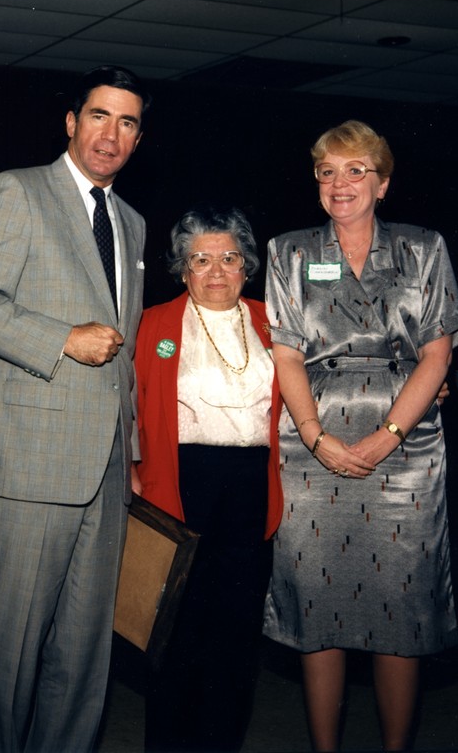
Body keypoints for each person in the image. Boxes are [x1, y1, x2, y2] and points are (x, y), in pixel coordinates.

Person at [0, 65, 151, 753]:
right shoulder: (16, 191)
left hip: (105, 475)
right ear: (70, 122)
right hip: (29, 467)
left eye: (126, 122)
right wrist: (61, 340)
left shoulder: (131, 222)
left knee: (86, 658)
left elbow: (123, 353)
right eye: (98, 116)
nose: (110, 134)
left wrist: (133, 453)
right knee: (12, 652)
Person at [263, 120, 458, 752]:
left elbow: (436, 356)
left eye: (354, 171)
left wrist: (387, 437)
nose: (339, 184)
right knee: (318, 604)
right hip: (310, 445)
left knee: (400, 607)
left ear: (383, 182)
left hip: (408, 450)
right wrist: (318, 437)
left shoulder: (424, 247)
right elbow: (287, 355)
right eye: (326, 171)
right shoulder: (289, 251)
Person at [133, 205, 283, 751]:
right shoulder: (153, 325)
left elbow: (333, 380)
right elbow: (127, 405)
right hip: (179, 486)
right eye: (201, 260)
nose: (216, 272)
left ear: (248, 266)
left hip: (253, 488)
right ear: (182, 267)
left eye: (229, 258)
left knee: (237, 634)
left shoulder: (276, 321)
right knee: (175, 633)